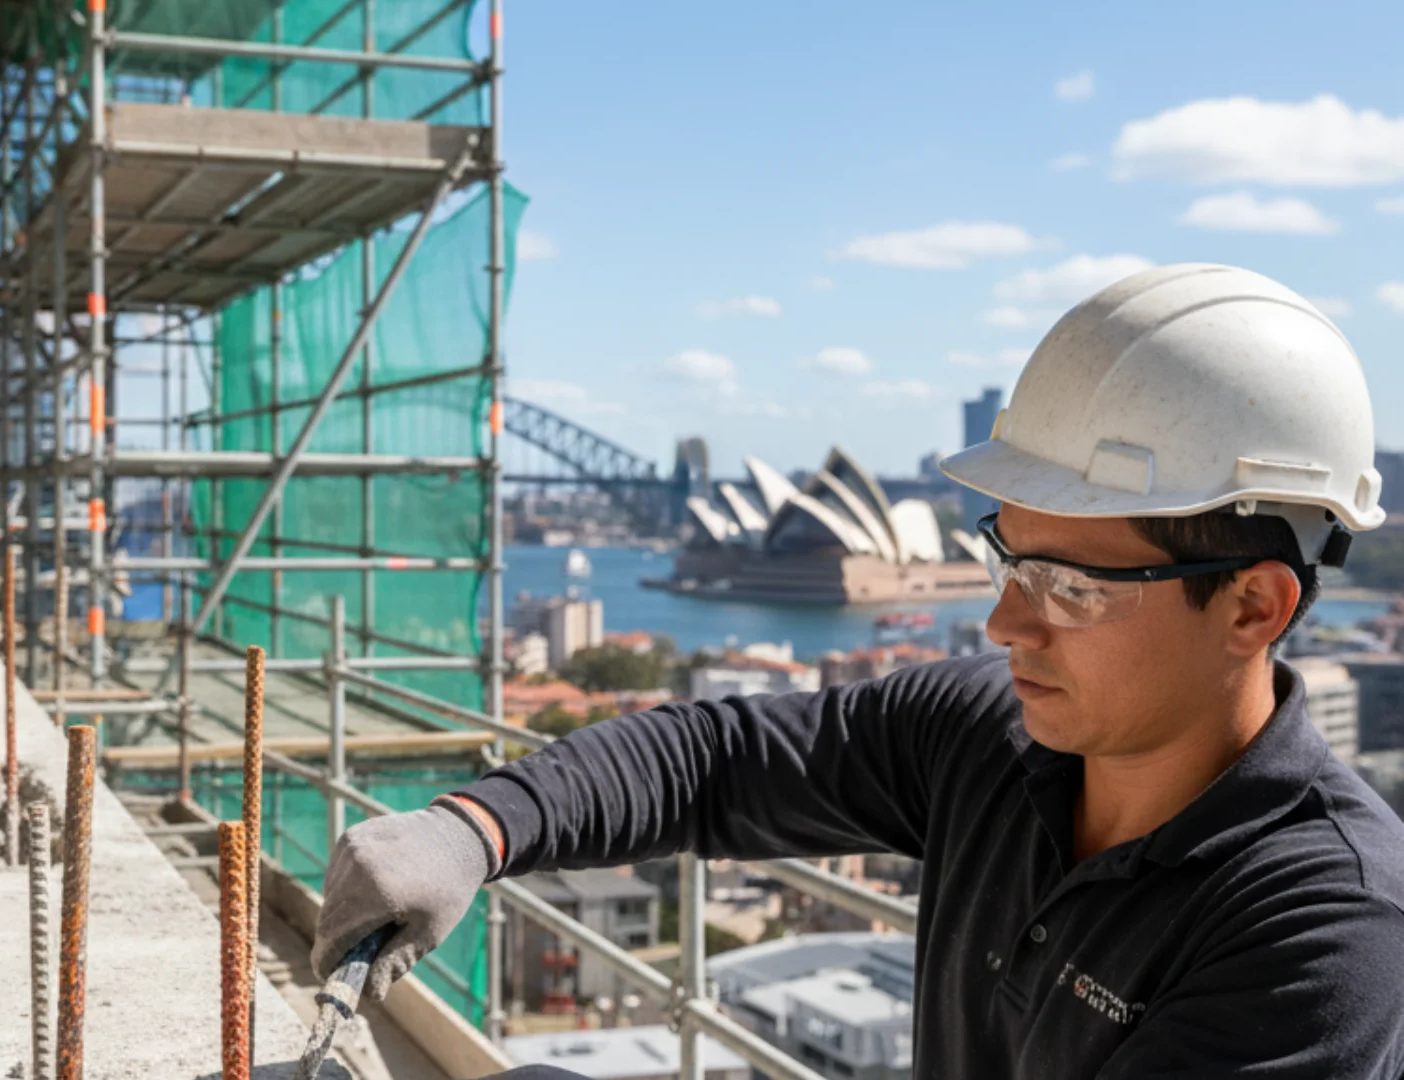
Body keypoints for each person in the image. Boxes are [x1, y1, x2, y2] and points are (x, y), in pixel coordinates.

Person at [311, 264, 1404, 1079]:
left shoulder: (1326, 929)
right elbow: (716, 759)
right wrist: (476, 828)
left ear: (1253, 606)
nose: (1003, 622)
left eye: (1072, 586)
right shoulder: (995, 736)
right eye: (1006, 557)